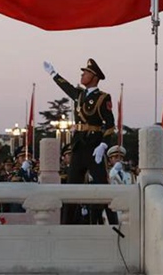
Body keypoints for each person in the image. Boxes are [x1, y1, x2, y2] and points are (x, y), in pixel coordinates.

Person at [43, 58, 116, 224]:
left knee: (103, 186)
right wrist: (54, 74)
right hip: (78, 146)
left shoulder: (103, 98)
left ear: (94, 76)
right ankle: (66, 226)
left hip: (93, 147)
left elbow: (110, 125)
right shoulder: (80, 95)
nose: (82, 75)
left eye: (86, 73)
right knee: (71, 189)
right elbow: (67, 87)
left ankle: (114, 225)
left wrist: (103, 145)